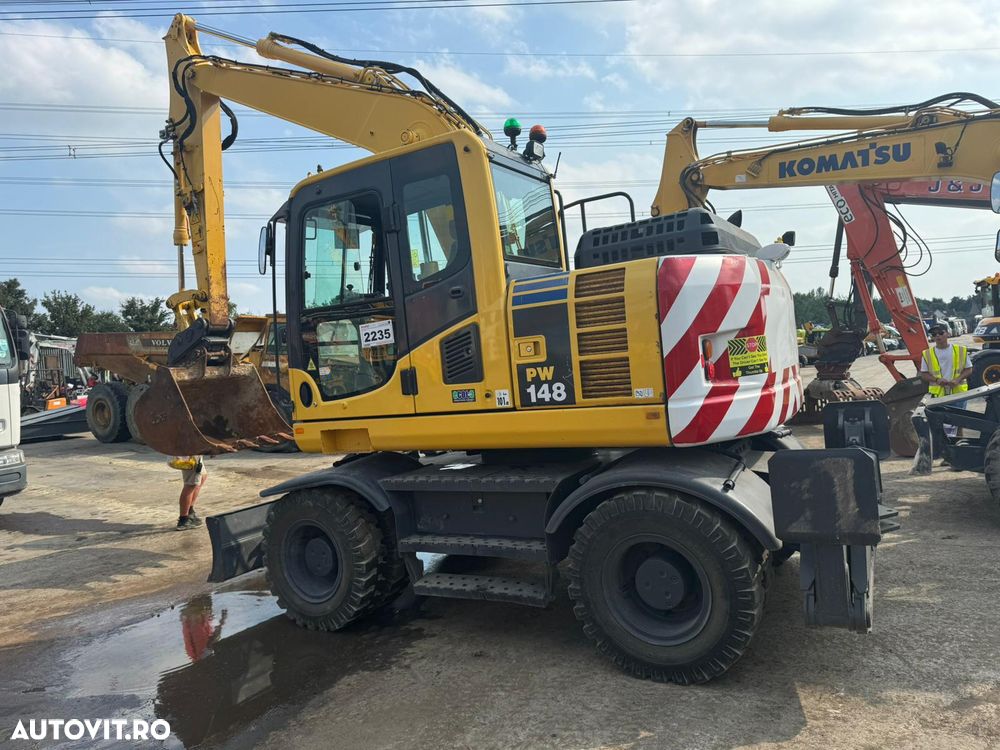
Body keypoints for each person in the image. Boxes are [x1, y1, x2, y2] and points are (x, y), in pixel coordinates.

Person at [920, 324, 971, 438]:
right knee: (941, 423)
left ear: (947, 333)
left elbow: (969, 369)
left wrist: (957, 379)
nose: (937, 336)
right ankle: (946, 448)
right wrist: (937, 379)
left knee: (959, 422)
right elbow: (923, 374)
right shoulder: (927, 354)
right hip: (938, 395)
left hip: (958, 393)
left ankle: (959, 443)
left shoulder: (960, 350)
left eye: (941, 333)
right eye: (934, 334)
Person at [170, 455, 207, 530]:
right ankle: (184, 519)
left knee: (203, 476)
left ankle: (190, 511)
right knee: (191, 484)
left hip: (194, 453)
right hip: (190, 453)